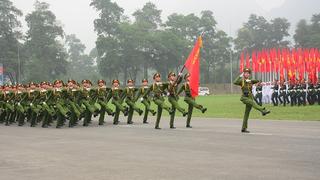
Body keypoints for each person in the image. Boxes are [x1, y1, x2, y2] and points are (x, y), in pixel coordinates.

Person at [233, 68, 270, 133]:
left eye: (248, 73)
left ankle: (243, 128)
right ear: (243, 74)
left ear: (249, 74)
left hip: (250, 97)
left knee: (246, 114)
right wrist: (240, 76)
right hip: (244, 97)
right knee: (252, 103)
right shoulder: (242, 81)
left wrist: (250, 81)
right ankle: (262, 110)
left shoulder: (250, 81)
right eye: (245, 73)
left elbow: (256, 80)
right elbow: (235, 82)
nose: (246, 74)